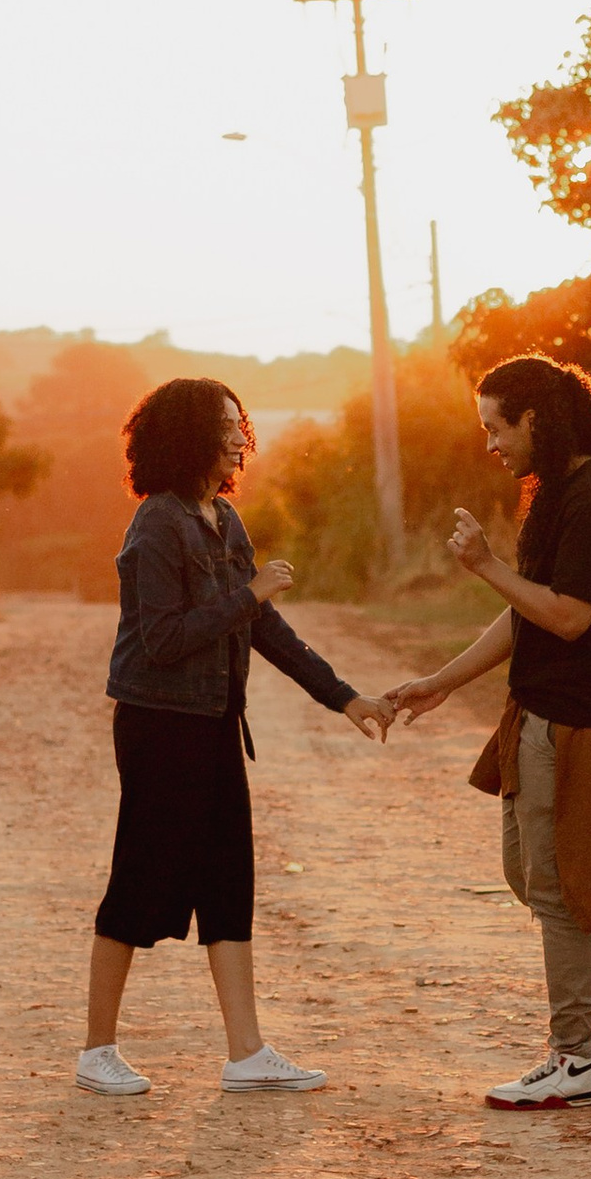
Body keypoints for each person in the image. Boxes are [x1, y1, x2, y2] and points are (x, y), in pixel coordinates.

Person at [75, 377, 391, 1101]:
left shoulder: (224, 519)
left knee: (228, 879)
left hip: (214, 722)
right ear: (188, 436)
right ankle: (97, 1051)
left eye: (238, 423)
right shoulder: (157, 524)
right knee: (140, 878)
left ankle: (246, 1053)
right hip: (158, 724)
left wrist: (344, 697)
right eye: (223, 425)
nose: (238, 437)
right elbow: (163, 641)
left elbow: (265, 627)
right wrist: (247, 596)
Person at [387, 353, 591, 1111]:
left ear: (535, 419)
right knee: (533, 878)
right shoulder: (555, 491)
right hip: (541, 711)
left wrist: (486, 565)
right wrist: (443, 681)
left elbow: (569, 617)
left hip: (581, 718)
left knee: (557, 886)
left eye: (497, 427)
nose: (491, 444)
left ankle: (574, 1057)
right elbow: (528, 609)